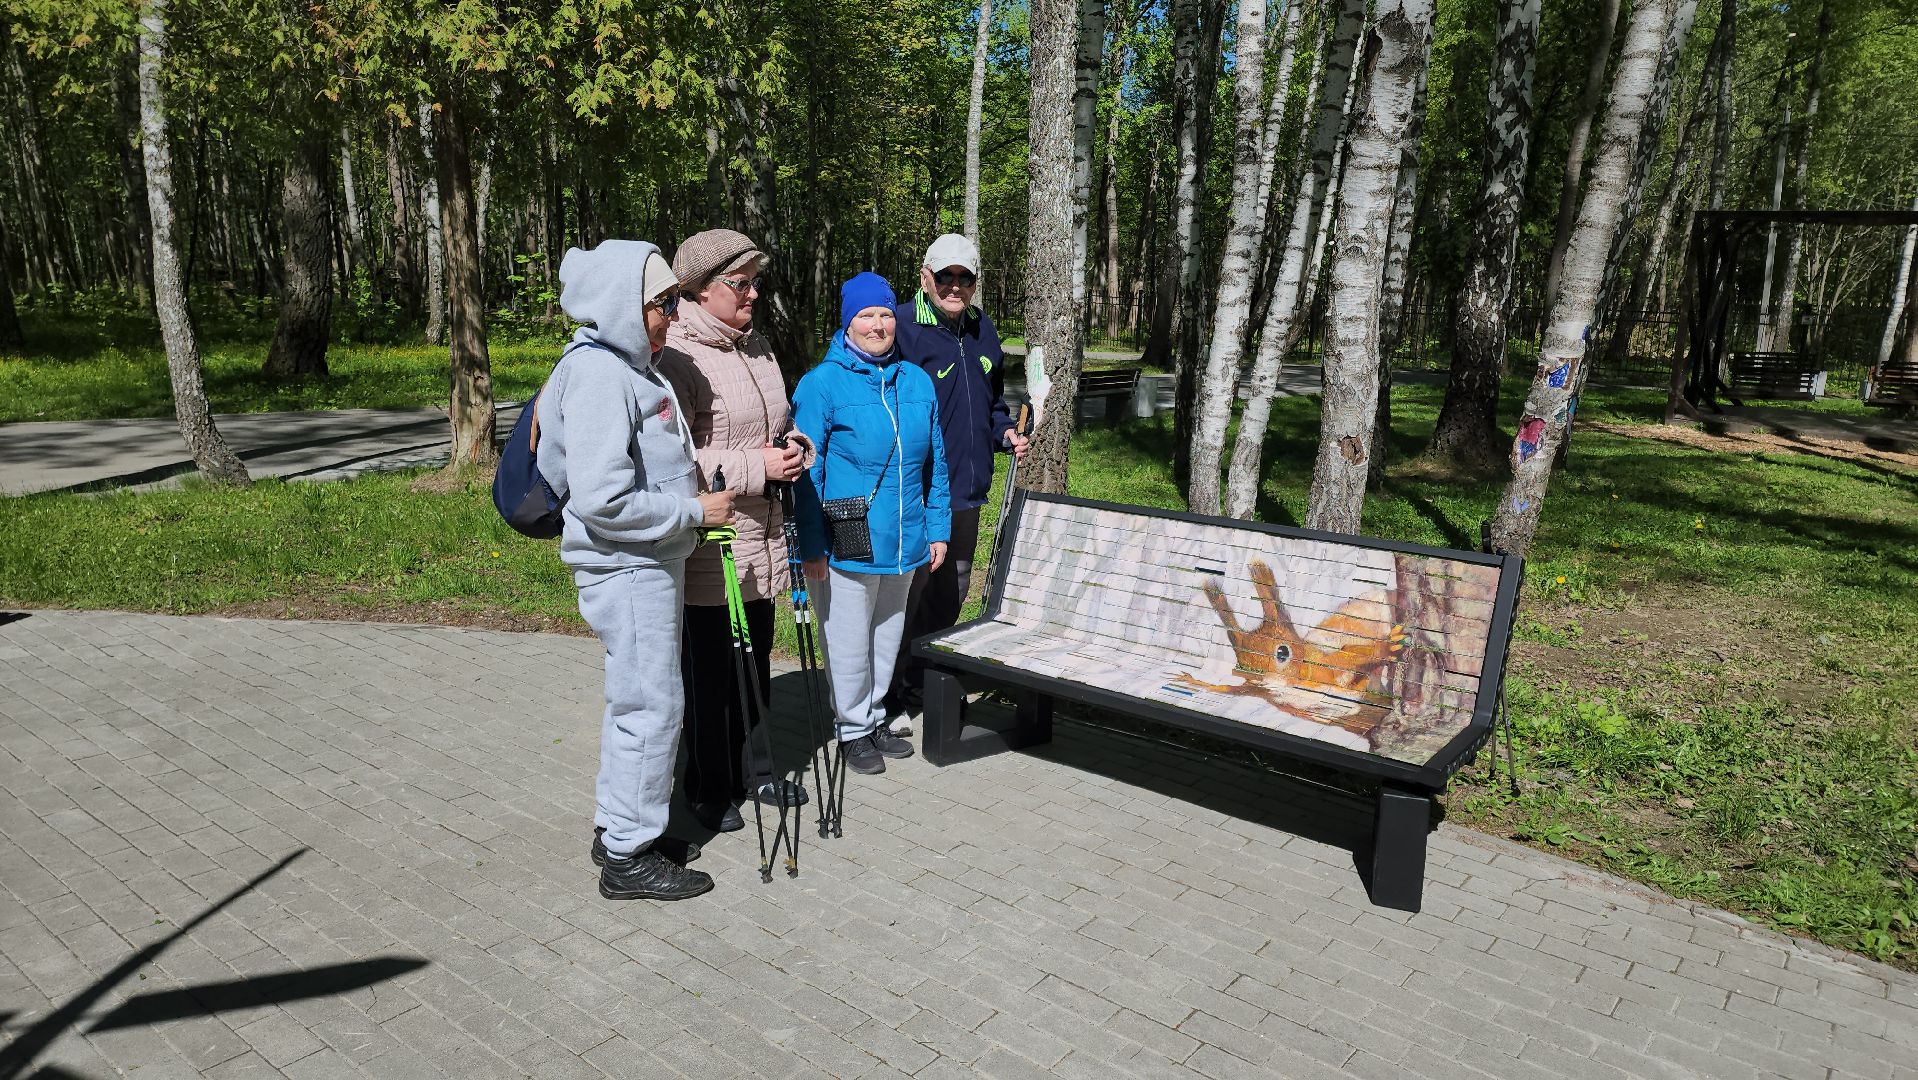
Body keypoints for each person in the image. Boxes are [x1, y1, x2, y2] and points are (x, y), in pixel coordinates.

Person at [538, 238, 736, 900]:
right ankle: (628, 857)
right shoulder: (600, 373)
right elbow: (600, 498)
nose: (673, 315)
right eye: (663, 302)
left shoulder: (629, 365)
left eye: (675, 300)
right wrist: (692, 512)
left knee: (637, 702)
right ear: (626, 304)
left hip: (646, 563)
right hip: (626, 567)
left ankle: (620, 828)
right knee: (653, 707)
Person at [657, 229, 812, 834]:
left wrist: (795, 446)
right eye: (740, 284)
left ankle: (758, 768)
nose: (753, 295)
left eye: (755, 283)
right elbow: (676, 459)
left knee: (755, 666)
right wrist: (758, 468)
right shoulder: (677, 357)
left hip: (765, 536)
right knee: (710, 675)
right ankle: (707, 787)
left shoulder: (759, 347)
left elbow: (780, 421)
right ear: (699, 288)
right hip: (711, 545)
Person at [792, 273, 951, 775]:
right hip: (847, 536)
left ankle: (876, 713)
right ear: (848, 323)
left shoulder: (917, 381)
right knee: (847, 635)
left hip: (905, 535)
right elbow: (805, 471)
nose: (878, 325)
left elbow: (936, 466)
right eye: (866, 316)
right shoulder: (821, 384)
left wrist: (938, 527)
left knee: (888, 631)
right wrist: (810, 546)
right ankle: (852, 727)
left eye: (885, 314)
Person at [882, 234, 1027, 727]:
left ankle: (924, 681)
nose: (954, 286)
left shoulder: (984, 331)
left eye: (965, 277)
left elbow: (991, 402)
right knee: (906, 591)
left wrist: (1004, 432)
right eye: (945, 276)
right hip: (915, 491)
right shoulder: (898, 325)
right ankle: (886, 695)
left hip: (967, 490)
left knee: (952, 589)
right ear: (925, 276)